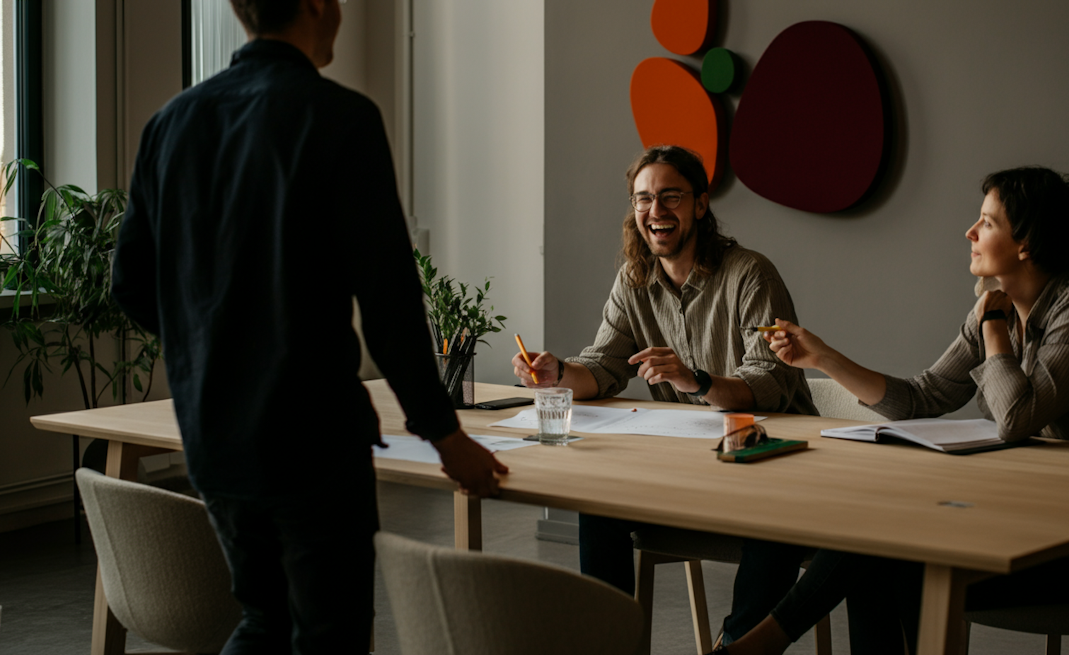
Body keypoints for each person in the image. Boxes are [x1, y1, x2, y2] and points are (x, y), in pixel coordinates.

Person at [111, 1, 508, 652]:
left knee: (263, 619)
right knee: (331, 633)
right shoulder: (341, 118)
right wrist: (444, 433)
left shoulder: (170, 123)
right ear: (320, 5)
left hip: (214, 433)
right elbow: (388, 297)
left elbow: (129, 281)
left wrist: (216, 349)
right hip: (313, 436)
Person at [711, 166, 1069, 655]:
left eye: (986, 222)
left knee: (886, 554)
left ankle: (761, 643)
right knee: (882, 545)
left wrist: (993, 331)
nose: (970, 231)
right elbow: (920, 397)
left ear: (1026, 243)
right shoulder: (994, 308)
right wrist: (821, 357)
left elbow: (1017, 419)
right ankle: (763, 643)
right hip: (1027, 515)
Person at [512, 145, 819, 645]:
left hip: (769, 461)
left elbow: (768, 383)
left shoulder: (750, 274)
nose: (655, 211)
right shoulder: (634, 279)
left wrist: (695, 380)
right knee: (600, 503)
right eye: (643, 199)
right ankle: (610, 641)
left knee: (775, 524)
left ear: (700, 204)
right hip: (687, 464)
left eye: (669, 197)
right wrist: (557, 374)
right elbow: (604, 365)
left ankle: (736, 645)